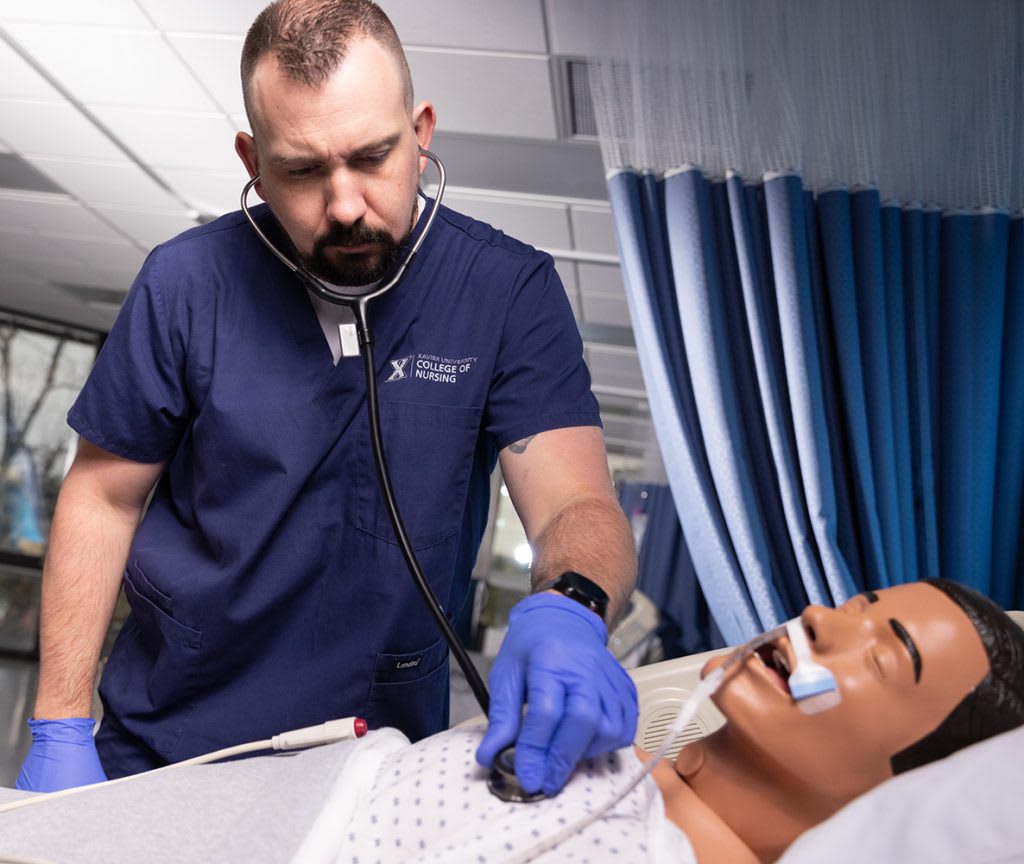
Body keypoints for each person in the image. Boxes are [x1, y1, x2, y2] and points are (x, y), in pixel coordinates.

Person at [16, 0, 638, 797]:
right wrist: (61, 724)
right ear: (253, 161)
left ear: (421, 133)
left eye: (372, 156)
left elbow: (573, 503)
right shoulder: (185, 285)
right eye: (304, 171)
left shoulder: (506, 292)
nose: (344, 204)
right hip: (170, 737)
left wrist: (574, 607)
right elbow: (102, 498)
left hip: (373, 753)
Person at [2, 579, 1020, 864]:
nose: (810, 626)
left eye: (880, 654)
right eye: (842, 608)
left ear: (901, 781)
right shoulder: (612, 740)